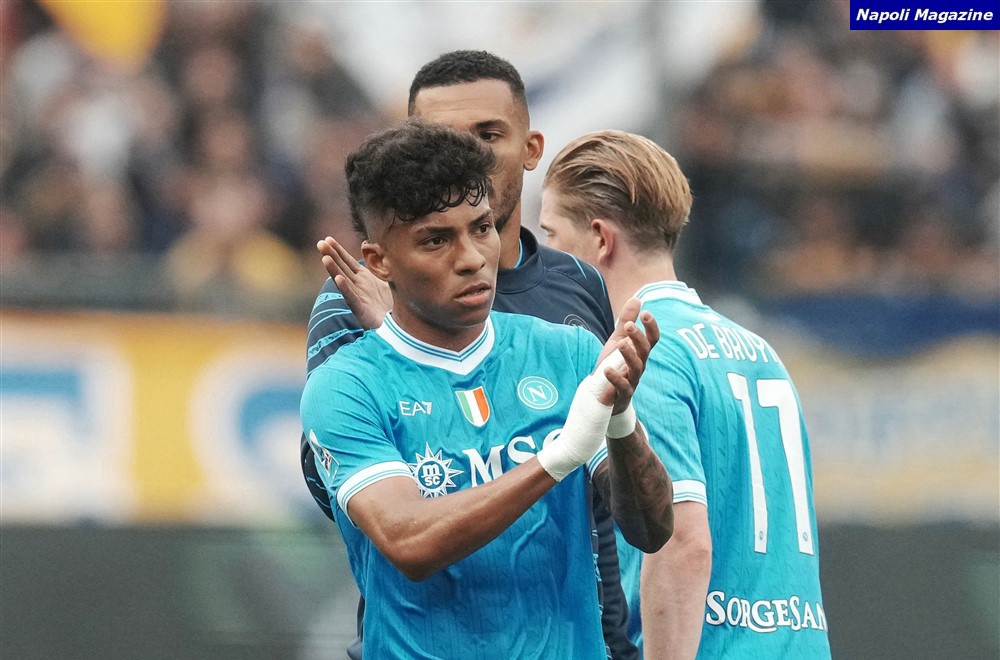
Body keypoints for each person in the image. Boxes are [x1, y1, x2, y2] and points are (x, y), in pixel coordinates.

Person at [303, 50, 639, 659]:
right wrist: (554, 455)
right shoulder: (348, 318)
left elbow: (636, 516)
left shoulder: (574, 303)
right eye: (436, 240)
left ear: (530, 149)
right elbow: (356, 505)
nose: (464, 155)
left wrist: (621, 424)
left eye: (486, 135)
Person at [538, 129, 832, 659]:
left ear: (600, 238)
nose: (546, 259)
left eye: (551, 235)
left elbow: (680, 539)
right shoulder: (758, 349)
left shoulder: (643, 352)